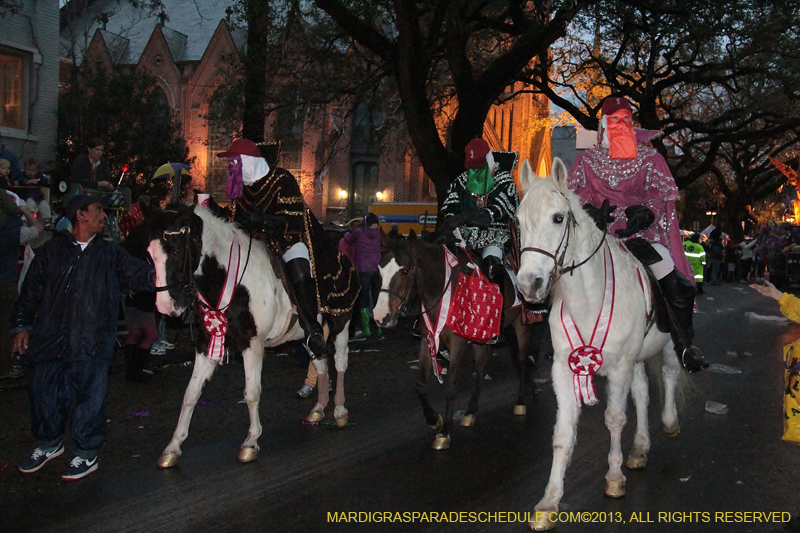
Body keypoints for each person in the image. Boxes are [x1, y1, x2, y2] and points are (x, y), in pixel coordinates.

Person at [12, 194, 154, 480]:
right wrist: (21, 327)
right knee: (45, 397)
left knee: (90, 400)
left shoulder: (110, 253)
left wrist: (168, 271)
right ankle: (49, 445)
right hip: (50, 341)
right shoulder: (52, 251)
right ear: (81, 215)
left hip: (92, 342)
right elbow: (29, 294)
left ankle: (86, 454)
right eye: (98, 210)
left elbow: (142, 276)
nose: (104, 216)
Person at [568, 95, 708, 373]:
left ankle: (684, 344)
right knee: (565, 271)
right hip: (598, 236)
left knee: (670, 275)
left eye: (626, 119)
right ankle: (566, 338)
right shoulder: (586, 160)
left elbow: (660, 196)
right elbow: (574, 196)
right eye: (614, 119)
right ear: (603, 125)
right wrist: (589, 211)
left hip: (639, 236)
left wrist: (647, 212)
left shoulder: (651, 158)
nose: (620, 124)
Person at [216, 138, 359, 360]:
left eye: (234, 162)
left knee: (300, 272)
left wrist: (264, 220)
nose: (230, 167)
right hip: (255, 246)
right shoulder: (241, 188)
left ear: (248, 161)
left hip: (287, 240)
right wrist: (210, 210)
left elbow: (292, 219)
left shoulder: (281, 179)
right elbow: (232, 218)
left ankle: (312, 330)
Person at [440, 137, 519, 285]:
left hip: (495, 237)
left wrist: (465, 217)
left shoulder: (505, 182)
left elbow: (495, 212)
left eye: (479, 166)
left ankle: (498, 304)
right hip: (462, 238)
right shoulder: (460, 182)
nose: (475, 170)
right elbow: (451, 207)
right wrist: (450, 222)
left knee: (491, 265)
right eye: (472, 166)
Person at [0, 189, 42, 379]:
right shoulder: (13, 230)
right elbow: (37, 229)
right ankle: (4, 366)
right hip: (5, 282)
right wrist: (25, 211)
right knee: (3, 326)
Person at [343, 212, 384, 340]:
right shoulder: (378, 232)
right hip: (376, 268)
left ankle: (366, 329)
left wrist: (346, 233)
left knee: (364, 298)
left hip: (363, 269)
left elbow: (348, 239)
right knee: (377, 297)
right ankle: (379, 328)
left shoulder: (359, 232)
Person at [15, 157, 52, 225]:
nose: (30, 173)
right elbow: (19, 181)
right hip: (27, 195)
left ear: (37, 170)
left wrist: (45, 180)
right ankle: (27, 221)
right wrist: (27, 182)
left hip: (38, 196)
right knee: (30, 206)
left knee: (45, 206)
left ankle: (47, 222)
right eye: (28, 170)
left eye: (33, 171)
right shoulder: (22, 175)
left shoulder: (39, 175)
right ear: (25, 169)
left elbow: (46, 184)